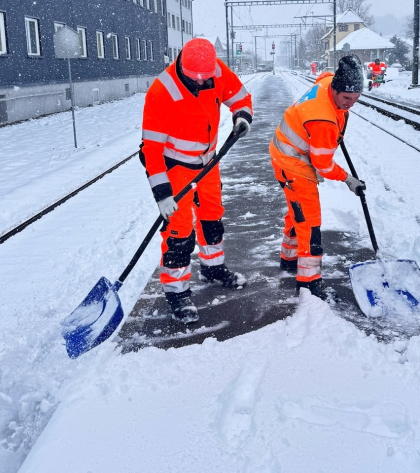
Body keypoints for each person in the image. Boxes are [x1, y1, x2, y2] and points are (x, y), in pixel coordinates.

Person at [140, 38, 253, 323]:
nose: (203, 84)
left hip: (208, 162)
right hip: (176, 167)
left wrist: (242, 116)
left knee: (212, 218)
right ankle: (177, 291)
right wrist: (162, 193)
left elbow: (240, 96)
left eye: (207, 79)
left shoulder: (215, 70)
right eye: (196, 79)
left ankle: (212, 267)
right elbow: (150, 149)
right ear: (182, 65)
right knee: (179, 233)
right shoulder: (161, 91)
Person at [269, 55, 366, 301]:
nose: (350, 105)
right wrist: (348, 179)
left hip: (284, 151)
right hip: (293, 163)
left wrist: (341, 114)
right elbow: (323, 164)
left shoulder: (328, 82)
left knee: (297, 212)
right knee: (310, 222)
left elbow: (322, 76)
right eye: (346, 99)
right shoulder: (322, 121)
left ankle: (289, 258)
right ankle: (309, 280)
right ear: (335, 90)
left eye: (355, 99)